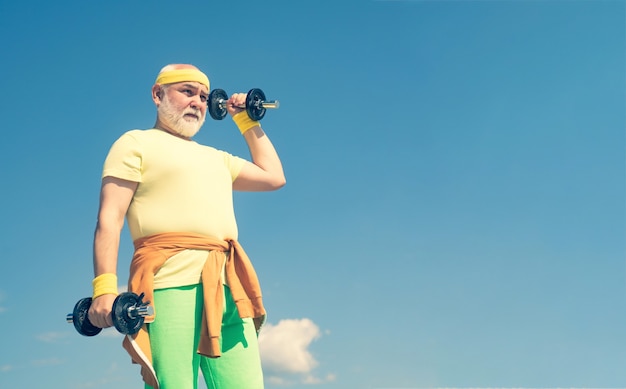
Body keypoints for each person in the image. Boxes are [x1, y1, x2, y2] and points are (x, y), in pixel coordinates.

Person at [86, 63, 286, 389]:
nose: (198, 102)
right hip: (169, 284)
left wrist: (245, 118)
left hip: (228, 286)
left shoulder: (217, 158)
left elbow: (274, 177)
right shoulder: (135, 143)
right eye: (187, 92)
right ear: (157, 94)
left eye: (204, 97)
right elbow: (110, 218)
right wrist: (105, 288)